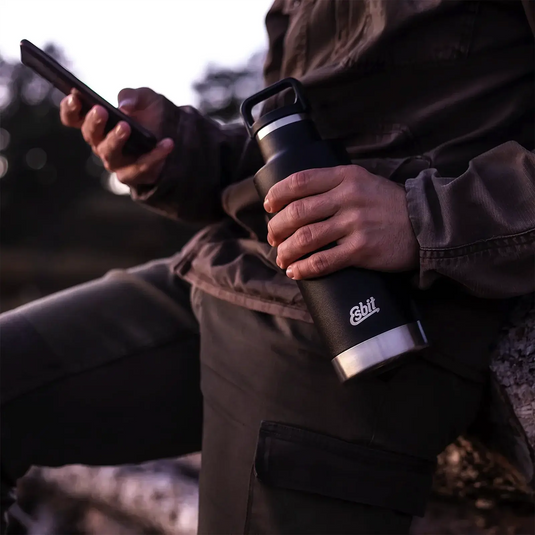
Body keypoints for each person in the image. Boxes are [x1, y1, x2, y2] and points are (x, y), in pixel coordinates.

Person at [1, 0, 534, 533]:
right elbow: (285, 161)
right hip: (230, 267)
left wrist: (421, 217)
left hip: (363, 324)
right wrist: (176, 149)